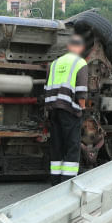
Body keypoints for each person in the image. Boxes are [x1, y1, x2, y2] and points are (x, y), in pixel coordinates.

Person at [44, 34, 89, 185]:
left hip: (53, 109)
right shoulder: (80, 63)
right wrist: (83, 108)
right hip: (70, 110)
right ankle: (67, 180)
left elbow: (47, 86)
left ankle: (55, 180)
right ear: (80, 48)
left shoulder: (54, 63)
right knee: (72, 145)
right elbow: (81, 91)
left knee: (57, 144)